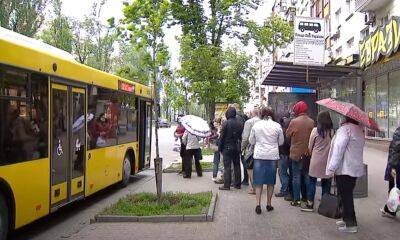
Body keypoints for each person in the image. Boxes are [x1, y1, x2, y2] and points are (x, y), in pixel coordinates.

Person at [326, 117, 366, 233]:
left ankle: (351, 224)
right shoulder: (358, 130)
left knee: (346, 197)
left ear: (345, 119)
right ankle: (345, 218)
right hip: (354, 168)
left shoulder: (345, 130)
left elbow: (338, 149)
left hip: (345, 169)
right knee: (346, 195)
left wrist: (332, 167)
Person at [249, 107, 284, 214]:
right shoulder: (277, 126)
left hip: (259, 155)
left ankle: (258, 204)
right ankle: (269, 204)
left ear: (261, 114)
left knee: (258, 181)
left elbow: (251, 140)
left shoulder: (256, 125)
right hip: (272, 156)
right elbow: (281, 142)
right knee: (270, 182)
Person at [301, 111, 334, 212]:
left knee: (312, 181)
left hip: (316, 159)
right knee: (326, 182)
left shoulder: (315, 130)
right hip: (327, 160)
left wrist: (312, 152)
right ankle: (324, 205)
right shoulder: (332, 131)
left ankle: (310, 204)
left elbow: (310, 146)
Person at [286, 101, 315, 207]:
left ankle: (296, 200)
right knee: (307, 176)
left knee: (296, 177)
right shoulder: (312, 122)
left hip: (296, 153)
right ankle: (308, 199)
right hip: (308, 153)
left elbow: (288, 135)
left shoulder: (294, 121)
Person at [218, 106, 244, 190]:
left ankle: (227, 185)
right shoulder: (240, 123)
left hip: (227, 147)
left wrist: (220, 148)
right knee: (237, 166)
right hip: (236, 147)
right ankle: (238, 184)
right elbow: (241, 137)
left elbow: (222, 137)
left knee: (227, 167)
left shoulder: (226, 123)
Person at [381, 124, 400, 218]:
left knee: (394, 188)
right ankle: (389, 209)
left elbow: (395, 150)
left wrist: (392, 166)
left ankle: (390, 210)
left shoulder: (398, 132)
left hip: (397, 165)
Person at [241, 107, 261, 194]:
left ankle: (254, 188)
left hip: (251, 148)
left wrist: (242, 147)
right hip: (261, 148)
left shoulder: (249, 122)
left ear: (252, 114)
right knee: (258, 168)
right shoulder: (262, 122)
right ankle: (259, 186)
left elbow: (245, 138)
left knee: (250, 168)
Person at [276, 112, 293, 200]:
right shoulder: (290, 131)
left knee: (282, 173)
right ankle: (289, 190)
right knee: (289, 173)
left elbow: (281, 143)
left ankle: (284, 190)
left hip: (283, 154)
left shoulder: (282, 131)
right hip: (289, 154)